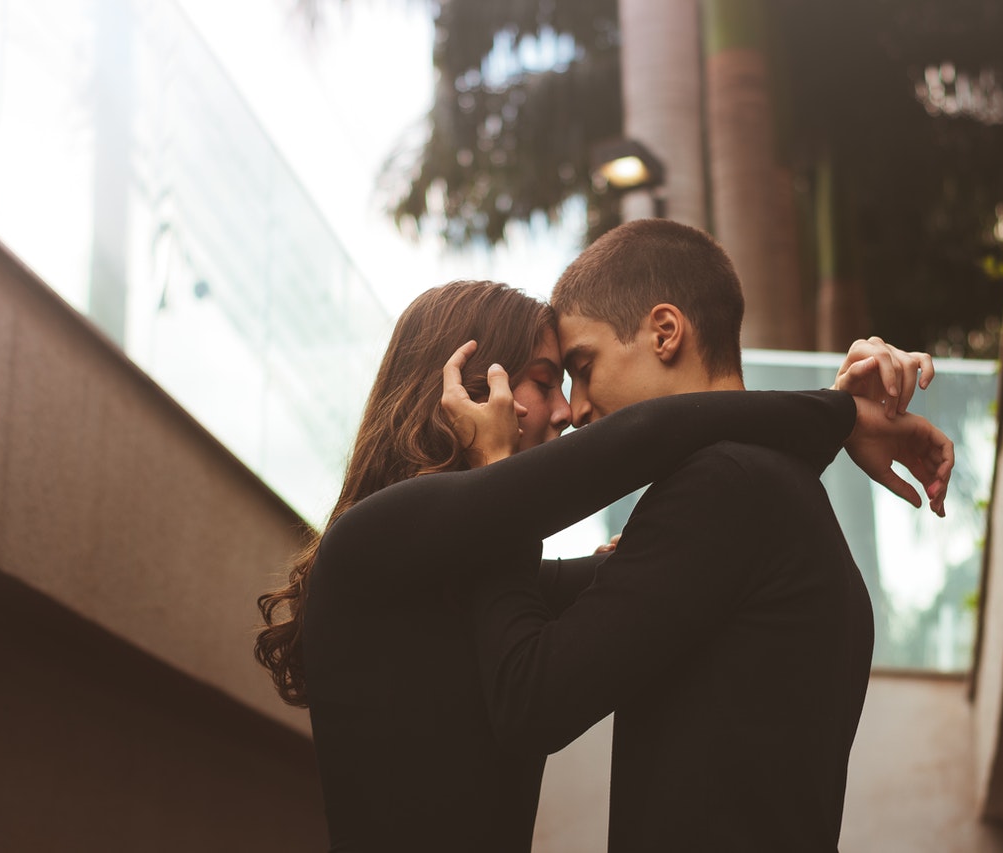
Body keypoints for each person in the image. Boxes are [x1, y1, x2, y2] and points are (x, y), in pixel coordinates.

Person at [254, 279, 951, 852]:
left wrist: (830, 415)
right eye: (543, 380)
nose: (564, 412)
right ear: (463, 389)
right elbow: (646, 439)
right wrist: (837, 413)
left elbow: (695, 560)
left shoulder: (480, 580)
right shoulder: (371, 540)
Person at [460, 218, 945, 852]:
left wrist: (498, 492)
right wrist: (833, 414)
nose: (574, 410)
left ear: (665, 331)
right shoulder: (763, 490)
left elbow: (529, 701)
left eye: (583, 366)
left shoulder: (723, 488)